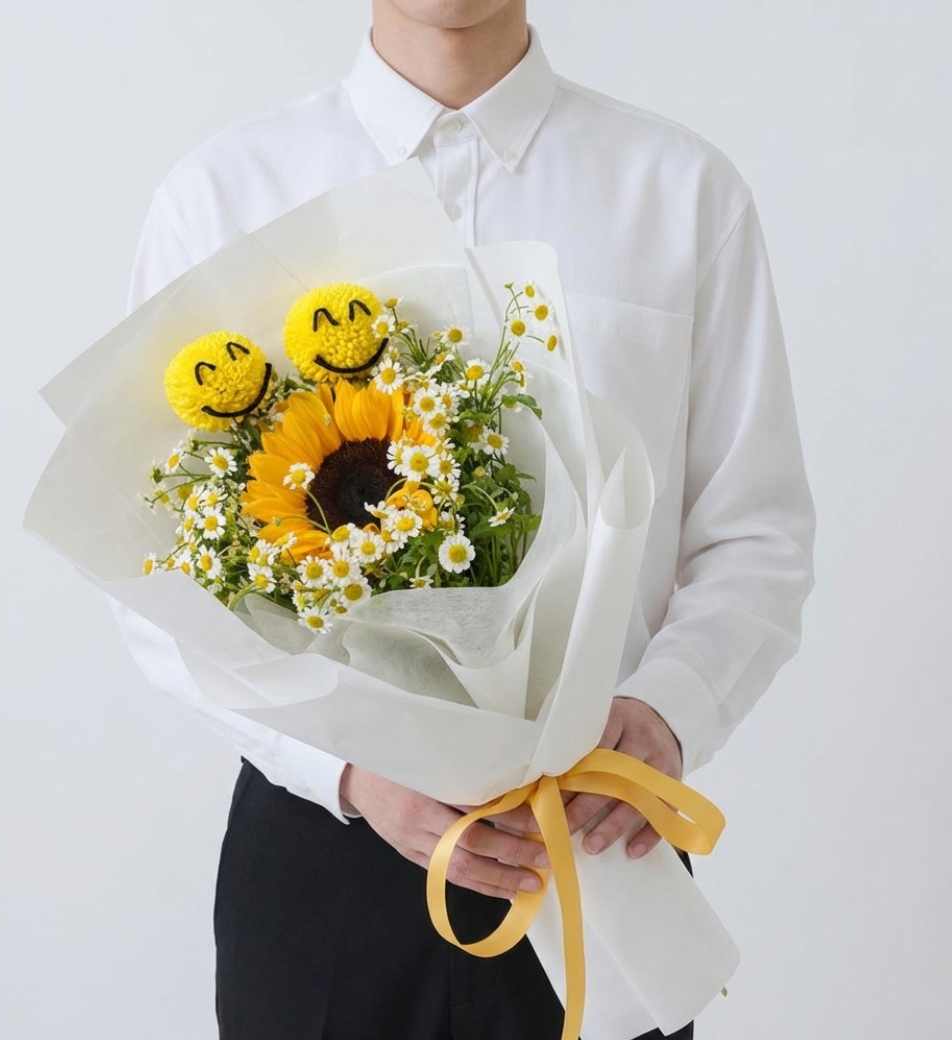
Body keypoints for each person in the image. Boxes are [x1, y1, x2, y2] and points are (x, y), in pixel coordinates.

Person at [121, 2, 816, 1037]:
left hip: (592, 837)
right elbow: (156, 569)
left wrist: (669, 708)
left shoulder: (677, 192)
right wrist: (348, 770)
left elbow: (755, 532)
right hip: (326, 848)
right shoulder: (229, 194)